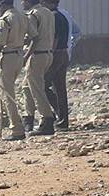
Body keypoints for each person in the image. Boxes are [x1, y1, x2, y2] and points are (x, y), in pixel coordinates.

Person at [0, 0, 30, 141]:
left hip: (8, 58)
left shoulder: (5, 19)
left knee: (7, 95)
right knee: (10, 92)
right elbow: (32, 36)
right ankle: (19, 125)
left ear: (2, 5)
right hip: (20, 56)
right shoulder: (22, 16)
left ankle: (16, 130)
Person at [21, 0, 56, 136]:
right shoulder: (47, 12)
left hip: (36, 55)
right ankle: (28, 118)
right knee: (26, 86)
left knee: (37, 89)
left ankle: (47, 120)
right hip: (48, 54)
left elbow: (33, 38)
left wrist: (25, 56)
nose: (22, 3)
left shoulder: (32, 15)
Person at [42, 0, 71, 130]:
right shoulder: (61, 16)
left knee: (43, 85)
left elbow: (55, 38)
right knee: (60, 89)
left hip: (56, 54)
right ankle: (63, 120)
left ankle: (58, 115)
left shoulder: (53, 16)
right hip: (63, 54)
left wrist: (50, 54)